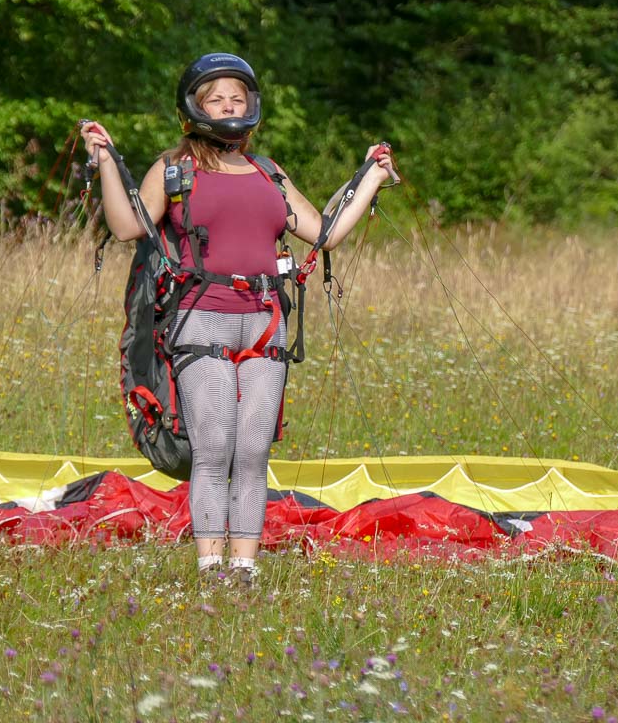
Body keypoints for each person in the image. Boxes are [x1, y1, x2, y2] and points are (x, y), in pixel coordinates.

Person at [81, 53, 393, 585]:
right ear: (194, 108)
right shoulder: (175, 169)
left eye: (237, 98)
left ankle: (244, 570)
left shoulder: (269, 173)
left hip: (265, 323)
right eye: (216, 99)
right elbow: (127, 225)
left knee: (252, 451)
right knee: (213, 447)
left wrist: (371, 176)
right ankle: (210, 569)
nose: (228, 106)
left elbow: (324, 232)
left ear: (251, 106)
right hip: (200, 322)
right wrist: (108, 160)